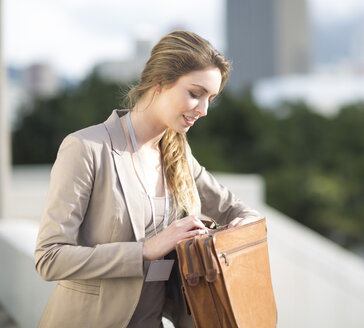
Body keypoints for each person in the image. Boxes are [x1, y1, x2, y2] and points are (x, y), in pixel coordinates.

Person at [34, 30, 261, 328]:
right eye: (195, 93)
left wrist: (241, 228)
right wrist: (144, 250)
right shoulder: (86, 149)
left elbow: (241, 211)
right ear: (160, 82)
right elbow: (49, 258)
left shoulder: (177, 155)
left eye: (211, 99)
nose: (204, 110)